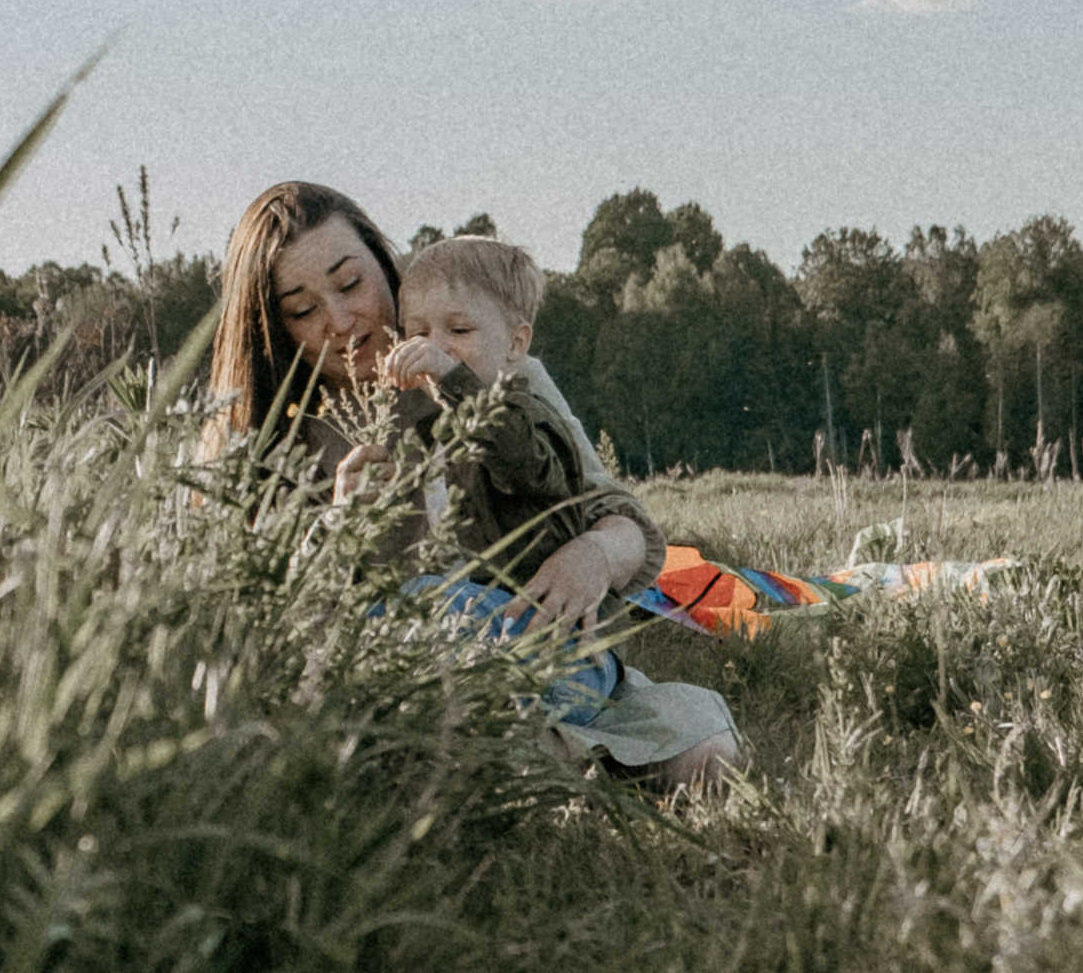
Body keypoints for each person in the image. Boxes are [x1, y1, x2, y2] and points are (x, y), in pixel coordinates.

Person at [205, 185, 737, 792]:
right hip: (394, 679)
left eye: (351, 285)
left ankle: (531, 765)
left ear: (386, 266)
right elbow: (270, 618)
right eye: (303, 311)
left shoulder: (492, 375)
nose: (341, 321)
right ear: (273, 329)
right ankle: (512, 772)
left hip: (528, 652)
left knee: (708, 756)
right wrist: (338, 527)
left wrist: (594, 555)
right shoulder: (275, 435)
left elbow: (619, 518)